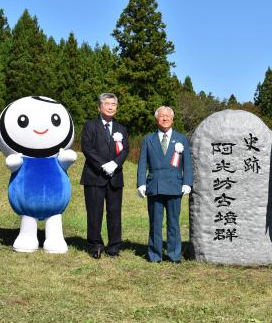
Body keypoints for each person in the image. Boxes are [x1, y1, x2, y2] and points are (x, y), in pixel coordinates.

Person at [137, 106, 193, 263]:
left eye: (168, 116)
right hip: (154, 186)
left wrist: (187, 182)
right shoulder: (148, 139)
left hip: (175, 186)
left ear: (172, 119)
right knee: (155, 222)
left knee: (173, 222)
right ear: (157, 119)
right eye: (161, 116)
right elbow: (142, 164)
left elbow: (187, 163)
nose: (165, 118)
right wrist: (141, 183)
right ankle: (155, 255)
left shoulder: (181, 139)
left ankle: (174, 254)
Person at [80, 93, 129, 259]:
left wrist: (115, 164)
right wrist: (103, 165)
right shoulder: (90, 125)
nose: (110, 107)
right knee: (94, 212)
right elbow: (87, 148)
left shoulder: (122, 129)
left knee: (114, 213)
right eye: (107, 104)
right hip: (94, 176)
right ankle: (95, 245)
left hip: (115, 177)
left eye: (113, 104)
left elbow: (125, 150)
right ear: (99, 107)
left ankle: (114, 247)